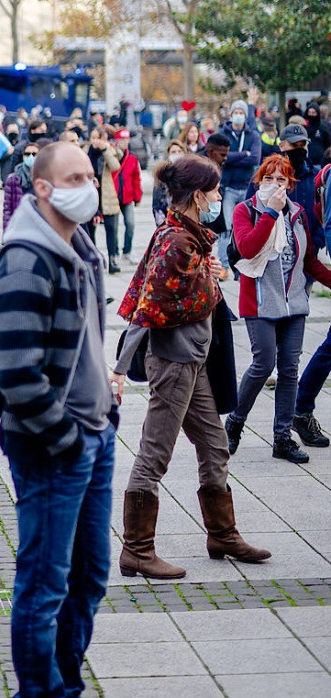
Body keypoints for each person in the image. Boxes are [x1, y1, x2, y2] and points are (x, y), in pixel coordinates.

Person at [0, 141, 114, 697]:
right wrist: (70, 440)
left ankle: (66, 680)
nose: (88, 183)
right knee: (44, 584)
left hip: (96, 432)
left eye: (90, 173)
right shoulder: (25, 259)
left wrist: (105, 403)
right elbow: (18, 376)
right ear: (42, 187)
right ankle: (40, 691)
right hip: (52, 446)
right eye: (74, 176)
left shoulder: (80, 246)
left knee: (89, 577)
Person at [113, 155, 270, 581]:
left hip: (194, 359)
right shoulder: (178, 243)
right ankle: (137, 549)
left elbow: (188, 290)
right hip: (174, 362)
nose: (219, 197)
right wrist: (120, 370)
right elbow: (152, 305)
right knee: (154, 453)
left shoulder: (190, 237)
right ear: (198, 196)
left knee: (215, 442)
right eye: (215, 191)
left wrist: (210, 271)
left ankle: (222, 534)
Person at [226, 154, 331, 464]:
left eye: (281, 180)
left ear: (290, 184)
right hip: (259, 302)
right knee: (263, 363)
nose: (274, 185)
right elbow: (247, 247)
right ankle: (235, 422)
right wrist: (271, 212)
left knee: (289, 371)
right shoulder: (246, 211)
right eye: (268, 179)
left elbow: (309, 260)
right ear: (259, 181)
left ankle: (282, 438)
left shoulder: (298, 214)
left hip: (294, 304)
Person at [220, 100, 263, 261]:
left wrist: (234, 158)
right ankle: (224, 263)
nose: (238, 116)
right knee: (227, 227)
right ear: (231, 115)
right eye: (235, 113)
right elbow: (222, 157)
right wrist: (243, 154)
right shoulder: (223, 134)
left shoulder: (253, 135)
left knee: (246, 227)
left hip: (246, 187)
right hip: (229, 187)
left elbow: (255, 158)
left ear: (245, 116)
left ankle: (243, 261)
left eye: (241, 113)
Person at [83, 127, 123, 272]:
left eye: (98, 138)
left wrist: (105, 150)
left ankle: (113, 259)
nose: (95, 141)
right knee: (90, 230)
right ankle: (92, 259)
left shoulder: (110, 151)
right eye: (93, 137)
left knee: (111, 228)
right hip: (90, 194)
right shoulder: (85, 152)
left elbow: (115, 166)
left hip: (106, 195)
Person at [113, 129, 143, 266]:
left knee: (130, 224)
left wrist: (138, 196)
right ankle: (114, 254)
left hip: (127, 197)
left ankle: (127, 251)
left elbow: (136, 179)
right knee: (112, 227)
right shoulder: (111, 157)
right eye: (122, 140)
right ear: (116, 141)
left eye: (127, 140)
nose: (125, 142)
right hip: (113, 197)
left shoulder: (132, 159)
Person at [2, 141, 39, 230]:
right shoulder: (13, 179)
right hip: (19, 224)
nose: (30, 157)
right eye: (27, 154)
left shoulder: (45, 177)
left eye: (34, 154)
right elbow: (7, 209)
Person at [151, 141, 186, 225]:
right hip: (168, 218)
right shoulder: (163, 174)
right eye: (173, 152)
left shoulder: (190, 173)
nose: (177, 154)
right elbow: (157, 202)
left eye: (179, 151)